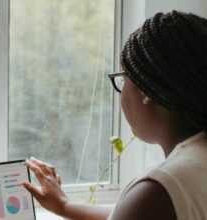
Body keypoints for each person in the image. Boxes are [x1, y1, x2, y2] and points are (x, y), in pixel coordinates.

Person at [23, 11, 207, 220]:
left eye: (122, 79)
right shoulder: (193, 166)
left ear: (146, 90)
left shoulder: (159, 190)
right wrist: (65, 206)